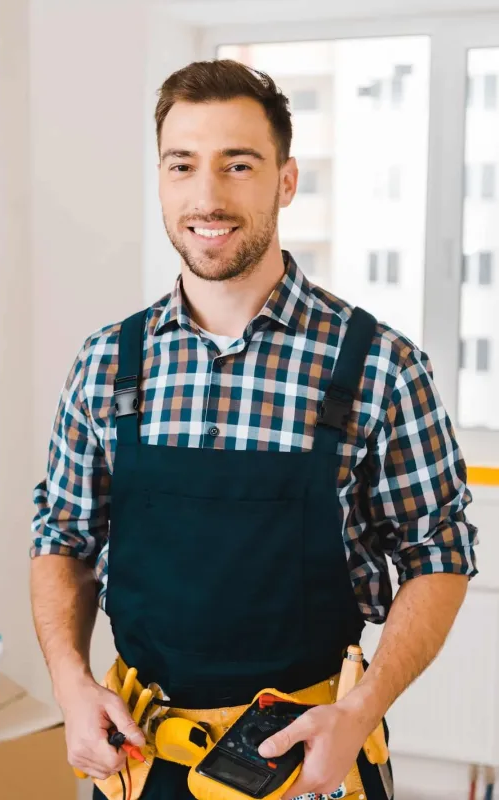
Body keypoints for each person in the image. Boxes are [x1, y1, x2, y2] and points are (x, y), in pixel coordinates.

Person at [30, 59, 478, 800]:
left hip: (311, 767)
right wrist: (72, 683)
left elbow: (441, 554)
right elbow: (62, 536)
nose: (207, 196)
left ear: (287, 180)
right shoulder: (109, 361)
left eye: (239, 165)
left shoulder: (382, 367)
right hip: (145, 767)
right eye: (183, 165)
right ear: (162, 179)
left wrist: (361, 712)